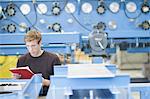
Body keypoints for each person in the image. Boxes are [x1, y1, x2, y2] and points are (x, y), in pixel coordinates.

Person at [16, 29, 61, 96]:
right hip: (27, 96)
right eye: (28, 46)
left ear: (40, 43)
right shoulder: (22, 60)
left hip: (47, 95)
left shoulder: (53, 59)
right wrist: (16, 79)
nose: (31, 49)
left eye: (33, 46)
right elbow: (20, 83)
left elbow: (60, 83)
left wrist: (45, 82)